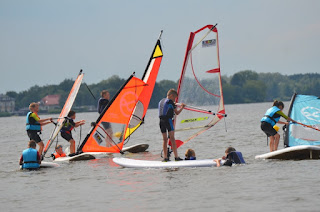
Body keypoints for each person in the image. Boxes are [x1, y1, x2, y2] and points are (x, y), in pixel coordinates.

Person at [159, 89, 185, 162]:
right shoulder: (170, 102)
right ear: (171, 96)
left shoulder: (161, 101)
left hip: (161, 122)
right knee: (172, 139)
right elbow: (177, 113)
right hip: (168, 121)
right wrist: (182, 107)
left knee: (164, 139)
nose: (174, 100)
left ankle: (165, 158)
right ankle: (176, 157)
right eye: (174, 98)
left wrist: (174, 104)